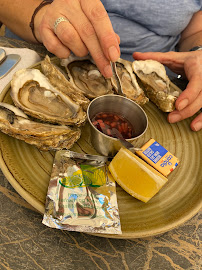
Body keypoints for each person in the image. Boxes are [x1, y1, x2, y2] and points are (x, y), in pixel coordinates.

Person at [0, 0, 202, 131]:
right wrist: (40, 15)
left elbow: (194, 28)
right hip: (34, 57)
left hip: (159, 97)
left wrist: (198, 52)